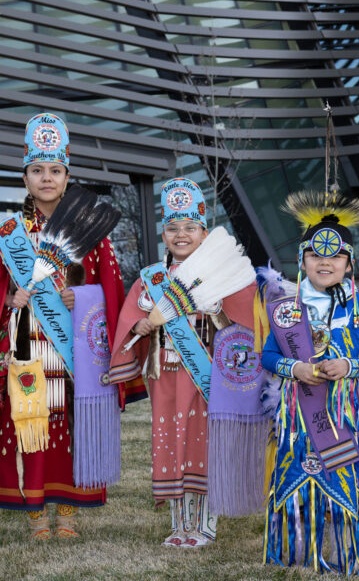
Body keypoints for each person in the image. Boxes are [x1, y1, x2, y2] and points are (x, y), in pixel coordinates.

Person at [0, 113, 137, 540]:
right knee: (30, 420)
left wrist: (83, 297)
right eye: (37, 170)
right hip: (27, 340)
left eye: (54, 170)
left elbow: (112, 287)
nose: (45, 178)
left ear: (67, 176)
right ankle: (35, 512)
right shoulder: (9, 233)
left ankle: (68, 511)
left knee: (69, 422)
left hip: (75, 347)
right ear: (26, 178)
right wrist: (10, 299)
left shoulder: (92, 233)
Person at [108, 178, 256, 548]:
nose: (181, 235)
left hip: (209, 374)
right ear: (164, 232)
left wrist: (216, 311)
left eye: (191, 227)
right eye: (173, 228)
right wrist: (142, 325)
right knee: (171, 442)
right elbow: (131, 323)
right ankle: (179, 526)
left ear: (205, 233)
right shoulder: (152, 279)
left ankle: (205, 525)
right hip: (168, 375)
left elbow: (247, 322)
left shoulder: (224, 276)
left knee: (204, 444)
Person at [259, 191, 359, 575]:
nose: (324, 262)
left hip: (344, 417)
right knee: (299, 474)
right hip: (298, 420)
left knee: (351, 475)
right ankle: (298, 551)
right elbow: (267, 357)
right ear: (302, 261)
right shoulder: (286, 309)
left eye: (335, 256)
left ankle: (351, 550)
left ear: (349, 264)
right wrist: (293, 369)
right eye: (315, 255)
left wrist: (348, 365)